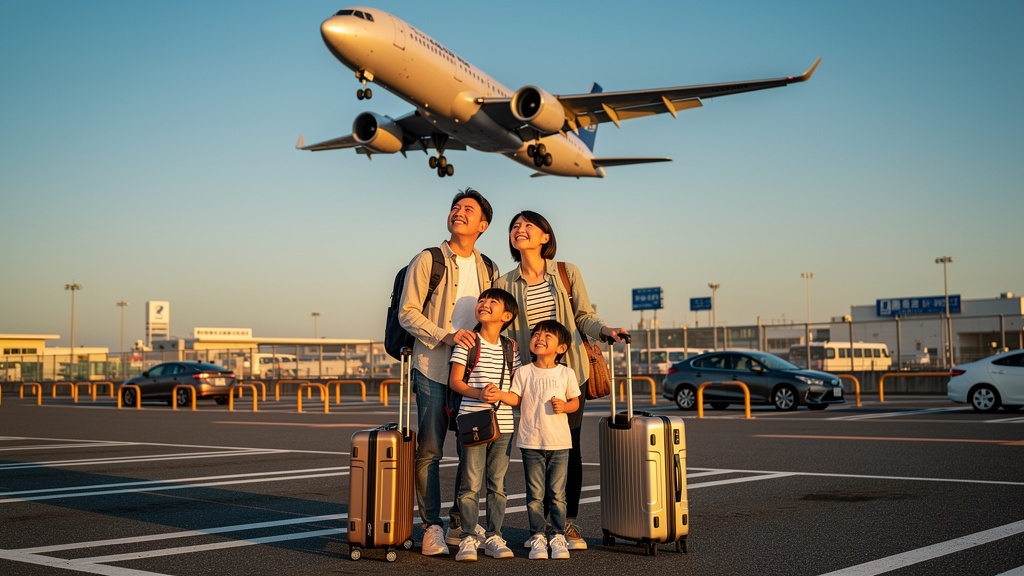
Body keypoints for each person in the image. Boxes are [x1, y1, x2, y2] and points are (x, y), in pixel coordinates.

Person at [494, 210, 628, 550]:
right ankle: (539, 528)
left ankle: (567, 524)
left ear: (544, 237)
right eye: (514, 226)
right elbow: (502, 330)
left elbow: (583, 315)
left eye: (528, 226)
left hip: (570, 375)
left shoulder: (566, 273)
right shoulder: (504, 282)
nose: (519, 230)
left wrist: (605, 331)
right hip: (530, 378)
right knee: (535, 450)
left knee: (570, 449)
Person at [398, 188, 497, 556]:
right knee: (430, 450)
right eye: (455, 207)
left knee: (472, 449)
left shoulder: (489, 267)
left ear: (483, 224)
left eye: (468, 209)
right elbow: (407, 312)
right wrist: (446, 335)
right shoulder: (429, 259)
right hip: (433, 368)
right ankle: (431, 527)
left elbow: (497, 316)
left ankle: (460, 522)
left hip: (473, 374)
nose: (459, 212)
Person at [448, 288, 522, 561]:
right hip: (472, 422)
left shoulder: (511, 348)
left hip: (503, 425)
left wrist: (500, 395)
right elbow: (456, 382)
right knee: (470, 484)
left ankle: (494, 536)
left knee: (497, 485)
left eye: (493, 302)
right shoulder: (468, 342)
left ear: (506, 315)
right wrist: (480, 394)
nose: (484, 304)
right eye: (482, 301)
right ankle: (468, 537)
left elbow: (517, 396)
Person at [498, 320, 580, 560]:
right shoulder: (523, 372)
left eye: (547, 336)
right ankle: (536, 537)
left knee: (557, 494)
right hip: (530, 441)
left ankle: (557, 536)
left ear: (561, 348)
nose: (539, 338)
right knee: (535, 495)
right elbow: (516, 398)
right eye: (536, 334)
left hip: (560, 443)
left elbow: (574, 401)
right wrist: (499, 394)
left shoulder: (566, 373)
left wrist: (565, 406)